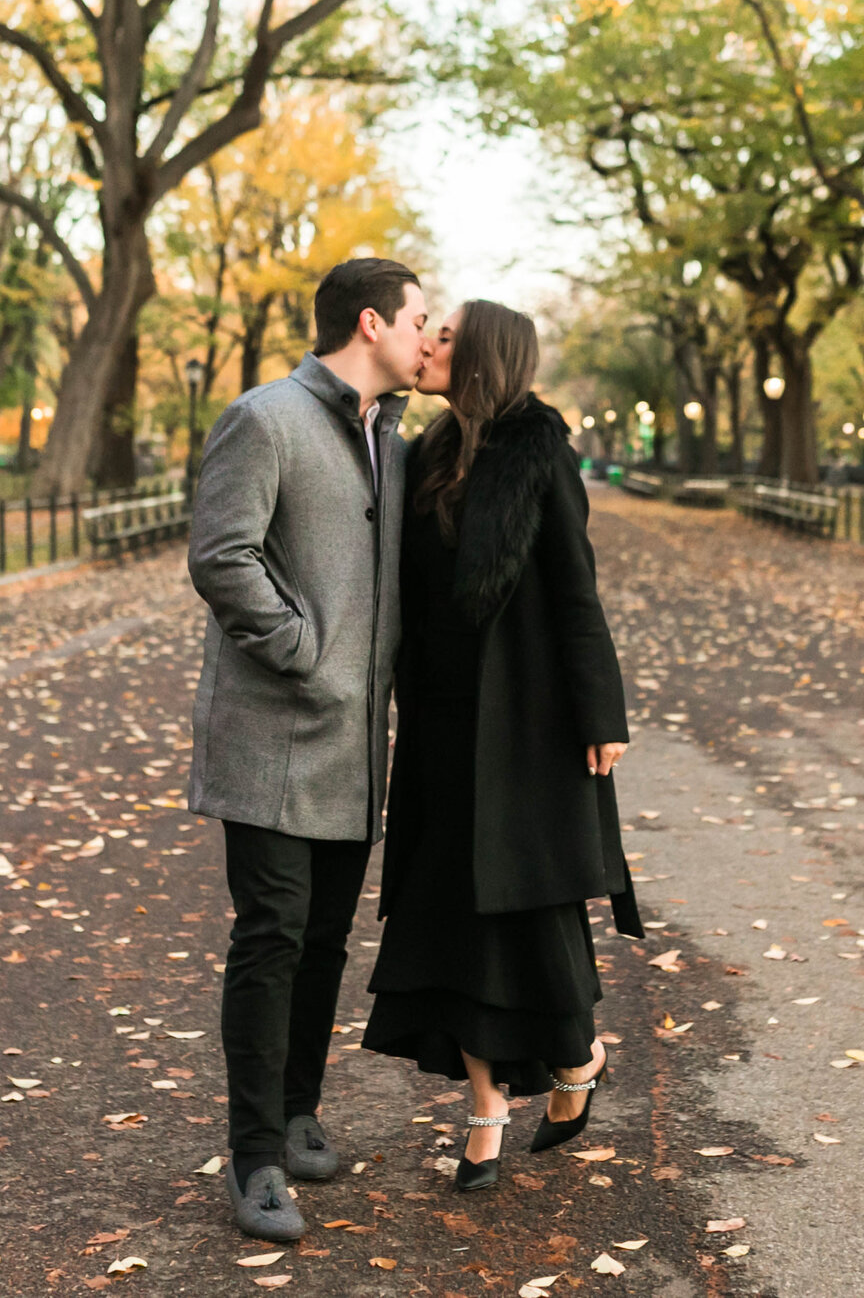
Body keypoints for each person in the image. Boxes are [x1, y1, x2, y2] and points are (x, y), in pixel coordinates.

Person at [360, 299, 641, 1193]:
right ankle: (486, 1111)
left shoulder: (538, 451)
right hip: (442, 722)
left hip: (526, 722)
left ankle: (576, 1054)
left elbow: (575, 592)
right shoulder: (424, 451)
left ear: (481, 356)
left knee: (525, 909)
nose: (426, 346)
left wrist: (602, 715)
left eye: (443, 337)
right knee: (447, 917)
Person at [185, 255, 429, 1241]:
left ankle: (294, 1110)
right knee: (272, 935)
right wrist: (305, 651)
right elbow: (220, 553)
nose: (427, 336)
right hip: (272, 736)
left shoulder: (395, 443)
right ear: (370, 323)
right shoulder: (264, 417)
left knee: (325, 940)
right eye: (418, 318)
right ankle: (252, 1158)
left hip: (354, 746)